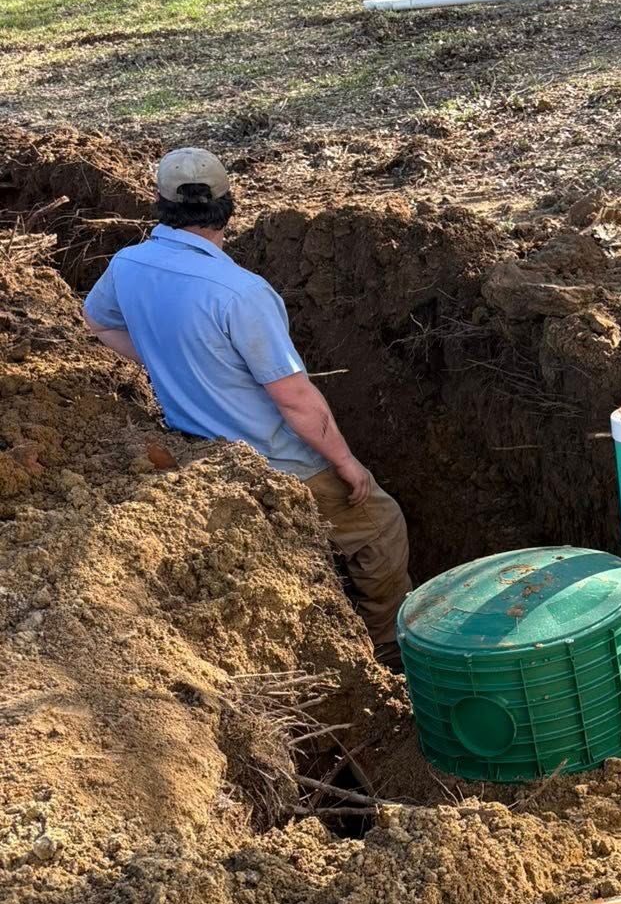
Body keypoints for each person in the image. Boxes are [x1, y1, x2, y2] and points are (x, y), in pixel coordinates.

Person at [81, 147, 411, 655]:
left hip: (199, 450)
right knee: (380, 524)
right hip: (276, 462)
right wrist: (346, 463)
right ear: (227, 205)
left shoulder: (129, 264)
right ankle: (387, 649)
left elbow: (97, 322)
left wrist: (166, 357)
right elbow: (295, 400)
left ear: (160, 203)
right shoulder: (239, 291)